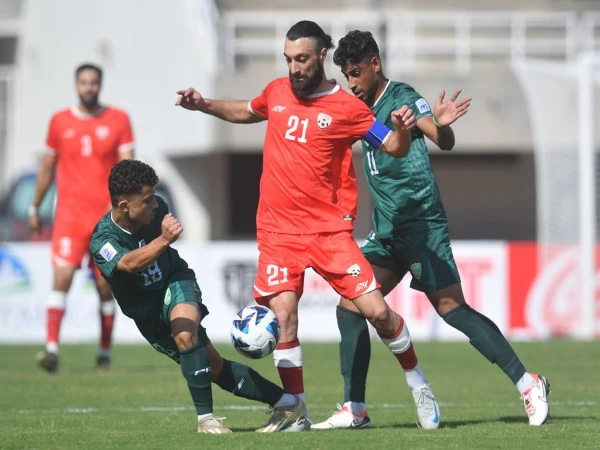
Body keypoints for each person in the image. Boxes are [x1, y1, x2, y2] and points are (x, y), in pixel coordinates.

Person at [175, 20, 441, 431]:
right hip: (278, 232)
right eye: (288, 60)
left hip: (329, 233)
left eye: (301, 59)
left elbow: (392, 145)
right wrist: (203, 104)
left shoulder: (349, 108)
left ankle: (418, 381)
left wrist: (403, 132)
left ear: (321, 56)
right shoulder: (277, 92)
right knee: (284, 318)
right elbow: (246, 111)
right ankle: (295, 411)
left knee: (378, 313)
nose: (294, 68)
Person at [312, 29, 551, 429]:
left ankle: (529, 383)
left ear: (375, 64)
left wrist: (440, 124)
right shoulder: (358, 107)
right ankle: (354, 409)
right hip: (387, 230)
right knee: (350, 306)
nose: (352, 82)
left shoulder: (402, 97)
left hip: (422, 226)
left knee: (451, 309)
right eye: (347, 75)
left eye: (356, 73)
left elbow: (442, 139)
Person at [89, 159, 307, 434]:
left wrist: (163, 239)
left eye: (154, 196)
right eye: (147, 200)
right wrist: (163, 240)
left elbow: (158, 244)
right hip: (146, 312)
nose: (155, 204)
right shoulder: (102, 240)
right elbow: (129, 264)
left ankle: (206, 420)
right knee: (214, 367)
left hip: (174, 280)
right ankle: (288, 404)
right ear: (124, 205)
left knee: (185, 334)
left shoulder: (157, 211)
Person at [31, 63, 135, 373]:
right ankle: (51, 350)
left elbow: (127, 167)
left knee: (104, 286)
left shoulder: (118, 119)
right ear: (76, 85)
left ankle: (104, 352)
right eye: (84, 82)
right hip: (69, 218)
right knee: (61, 278)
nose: (89, 87)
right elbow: (47, 168)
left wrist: (124, 210)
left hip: (105, 220)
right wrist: (35, 207)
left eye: (93, 82)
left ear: (100, 85)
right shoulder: (59, 121)